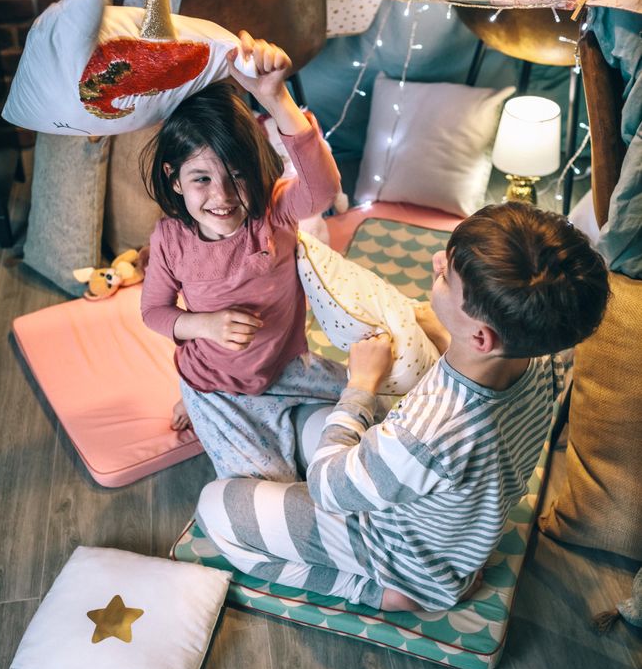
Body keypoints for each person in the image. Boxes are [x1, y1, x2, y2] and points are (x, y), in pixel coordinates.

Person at [194, 202, 610, 612]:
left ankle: (384, 594)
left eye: (446, 278)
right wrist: (450, 335)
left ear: (482, 339)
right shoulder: (543, 358)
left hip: (399, 553)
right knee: (308, 423)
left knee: (215, 506)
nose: (435, 262)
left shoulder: (427, 432)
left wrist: (361, 385)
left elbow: (326, 487)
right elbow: (490, 376)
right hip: (460, 534)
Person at [141, 32, 346, 482]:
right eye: (201, 180)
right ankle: (194, 405)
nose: (223, 196)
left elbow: (323, 190)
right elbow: (154, 312)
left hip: (286, 367)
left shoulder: (273, 213)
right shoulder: (171, 239)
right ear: (175, 180)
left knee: (376, 407)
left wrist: (276, 98)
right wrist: (205, 325)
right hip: (215, 386)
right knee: (270, 482)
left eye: (236, 175)